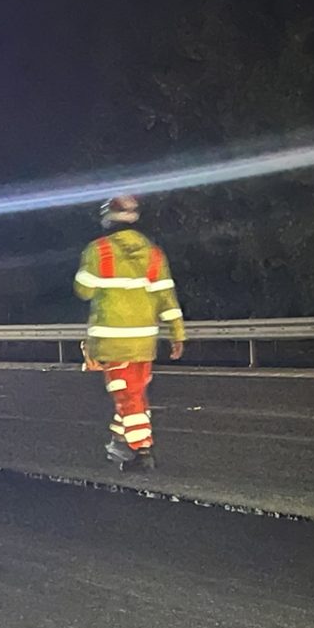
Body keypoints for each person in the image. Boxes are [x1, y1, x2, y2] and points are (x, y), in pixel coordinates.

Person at [75, 195, 184, 470]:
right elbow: (167, 298)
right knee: (134, 394)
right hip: (144, 343)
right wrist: (177, 333)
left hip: (113, 343)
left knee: (127, 396)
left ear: (107, 219)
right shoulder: (154, 254)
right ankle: (118, 442)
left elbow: (83, 290)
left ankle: (141, 451)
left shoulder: (98, 250)